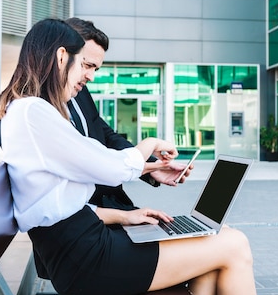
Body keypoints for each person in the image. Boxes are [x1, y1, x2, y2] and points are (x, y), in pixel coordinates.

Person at [0, 18, 278, 295]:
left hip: (84, 243)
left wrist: (122, 216)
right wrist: (149, 145)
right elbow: (109, 169)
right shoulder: (34, 113)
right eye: (84, 64)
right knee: (233, 244)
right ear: (61, 55)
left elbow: (51, 202)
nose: (86, 76)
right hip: (87, 257)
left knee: (211, 251)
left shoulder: (28, 112)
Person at [65, 17, 188, 211]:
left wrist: (152, 167)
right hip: (91, 214)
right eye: (86, 65)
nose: (91, 76)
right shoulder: (41, 109)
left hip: (110, 206)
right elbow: (94, 164)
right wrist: (150, 149)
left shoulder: (79, 91)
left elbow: (106, 135)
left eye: (95, 68)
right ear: (63, 55)